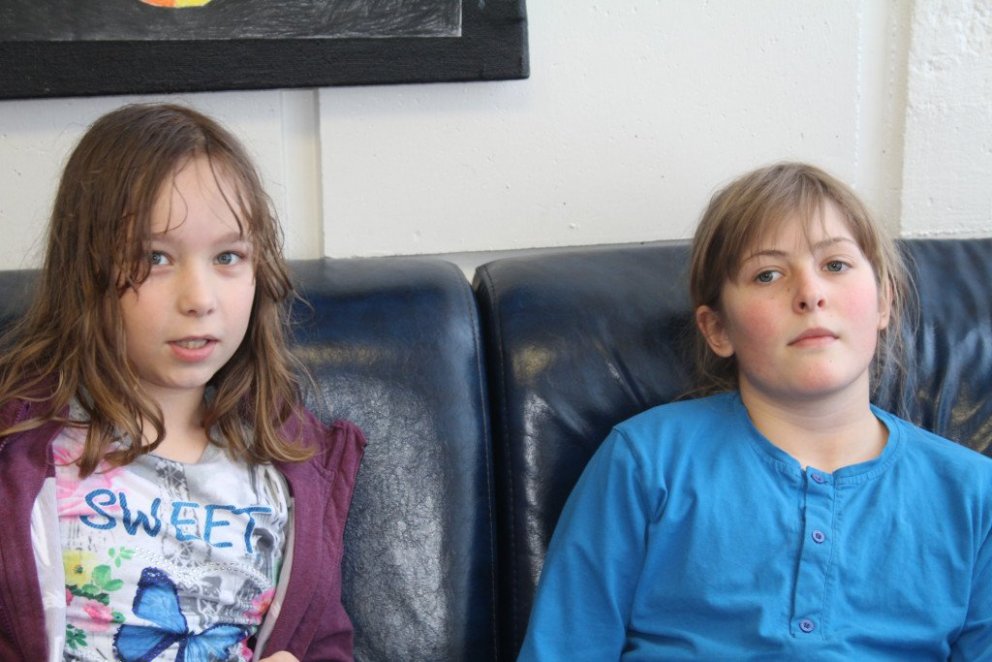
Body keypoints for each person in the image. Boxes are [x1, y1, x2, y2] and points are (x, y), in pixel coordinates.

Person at [517, 162, 992, 660]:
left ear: (884, 302)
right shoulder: (645, 461)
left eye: (835, 265)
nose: (810, 294)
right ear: (718, 329)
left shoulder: (974, 495)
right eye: (768, 274)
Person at [0, 103, 365, 661]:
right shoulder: (19, 450)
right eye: (155, 258)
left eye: (228, 256)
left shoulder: (289, 468)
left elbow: (324, 644)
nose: (199, 299)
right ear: (86, 272)